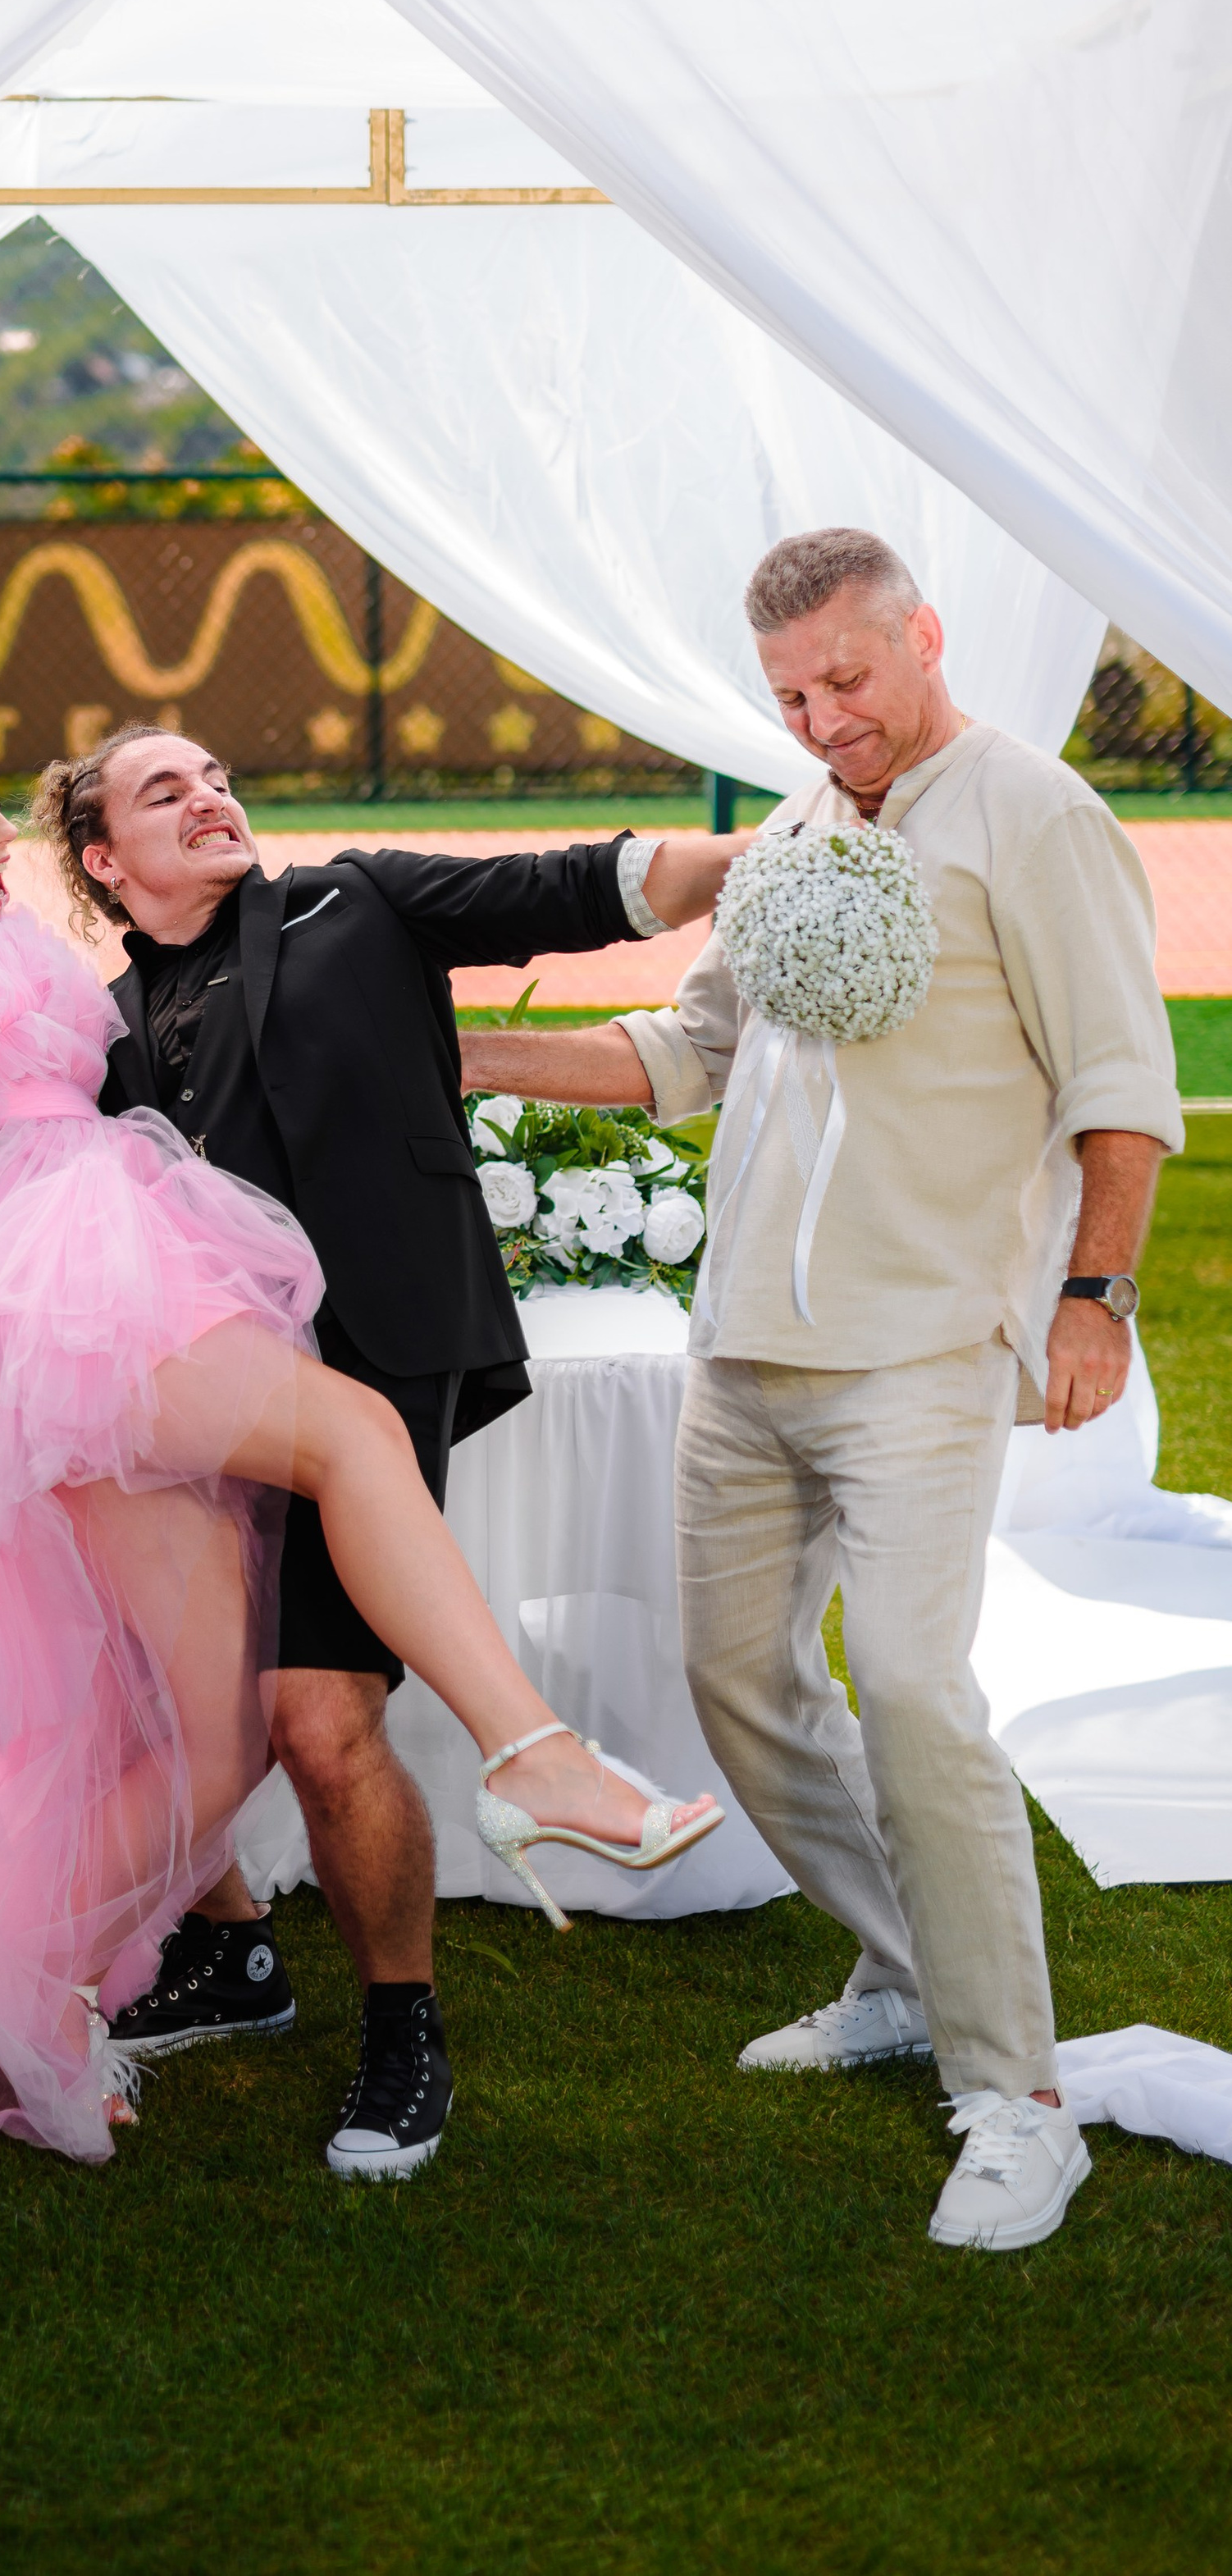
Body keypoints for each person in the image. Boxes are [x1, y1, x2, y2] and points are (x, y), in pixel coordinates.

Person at [0, 710, 723, 2176]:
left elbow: (64, 1104)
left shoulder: (101, 950)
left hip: (117, 1257)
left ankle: (25, 1970)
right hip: (30, 1303)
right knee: (353, 1441)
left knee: (223, 1722)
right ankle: (534, 1754)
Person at [463, 528, 1184, 2253]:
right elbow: (684, 1053)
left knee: (920, 1694)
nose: (819, 721)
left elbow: (1119, 1083)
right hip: (740, 1351)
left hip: (923, 1350)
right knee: (735, 1685)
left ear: (920, 639)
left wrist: (1089, 1299)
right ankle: (896, 1969)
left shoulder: (1035, 816)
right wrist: (457, 1047)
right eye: (789, 696)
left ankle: (1015, 2098)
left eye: (845, 683)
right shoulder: (790, 829)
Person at [0, 724, 743, 2178]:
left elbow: (587, 881)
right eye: (166, 790)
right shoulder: (95, 1030)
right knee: (162, 1699)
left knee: (321, 1723)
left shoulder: (360, 902)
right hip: (190, 1398)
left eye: (218, 774)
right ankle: (231, 1957)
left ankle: (402, 2026)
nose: (212, 795)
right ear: (103, 861)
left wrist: (773, 856)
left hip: (373, 1352)